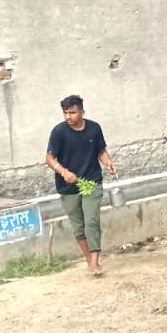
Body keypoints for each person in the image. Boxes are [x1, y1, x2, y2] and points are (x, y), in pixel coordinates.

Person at [45, 95, 118, 276]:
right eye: (65, 113)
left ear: (82, 112)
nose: (68, 116)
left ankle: (94, 262)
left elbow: (101, 150)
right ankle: (88, 259)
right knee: (78, 226)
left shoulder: (94, 128)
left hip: (91, 182)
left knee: (91, 221)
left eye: (72, 112)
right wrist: (64, 172)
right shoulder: (59, 132)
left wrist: (108, 163)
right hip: (67, 186)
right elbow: (49, 158)